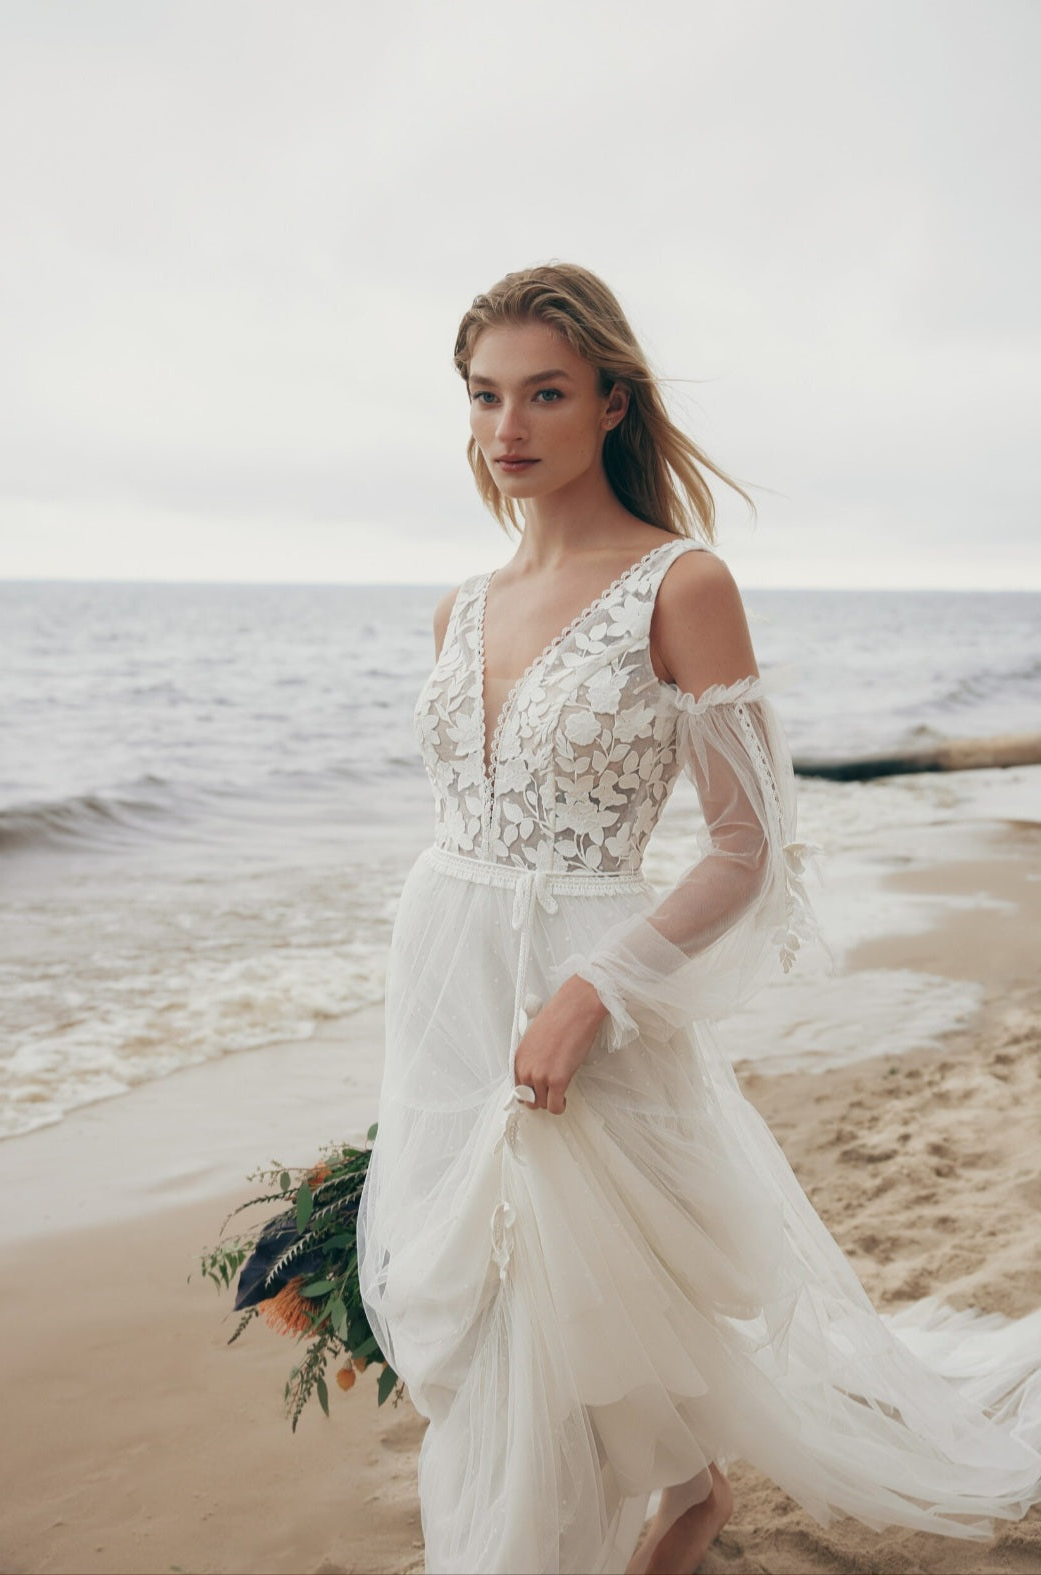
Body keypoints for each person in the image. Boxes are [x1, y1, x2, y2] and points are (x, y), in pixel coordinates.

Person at [356, 263, 1041, 1575]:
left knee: (585, 1285)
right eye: (486, 395)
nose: (508, 427)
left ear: (612, 401)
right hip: (443, 964)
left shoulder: (682, 586)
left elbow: (748, 845)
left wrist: (590, 993)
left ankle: (647, 1511)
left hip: (594, 984)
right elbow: (471, 836)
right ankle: (679, 1492)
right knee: (486, 1298)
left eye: (544, 393)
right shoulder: (458, 605)